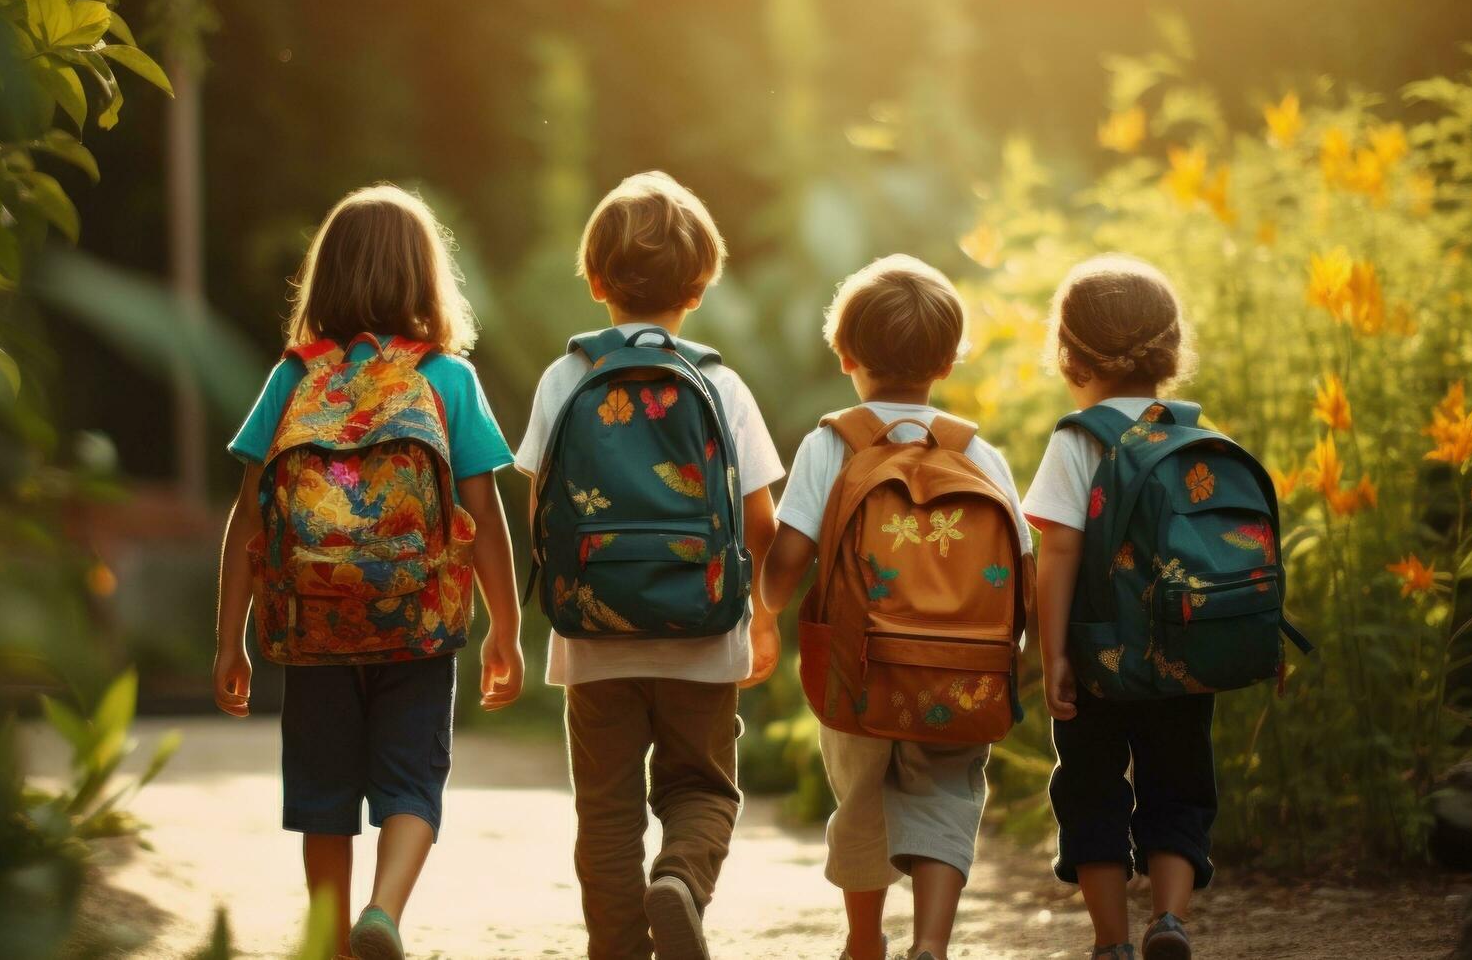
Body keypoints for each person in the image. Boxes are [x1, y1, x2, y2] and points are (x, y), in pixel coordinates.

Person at [212, 184, 526, 960]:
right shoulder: (446, 379)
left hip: (311, 624)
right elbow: (483, 515)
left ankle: (327, 934)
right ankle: (382, 914)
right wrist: (507, 629)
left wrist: (231, 641)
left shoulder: (295, 377)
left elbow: (248, 517)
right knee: (412, 784)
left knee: (323, 795)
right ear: (426, 279)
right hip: (417, 626)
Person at [513, 171, 784, 960]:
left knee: (604, 815)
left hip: (592, 641)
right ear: (698, 288)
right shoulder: (721, 384)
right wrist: (762, 619)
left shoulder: (565, 380)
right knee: (702, 788)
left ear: (595, 280)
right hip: (704, 635)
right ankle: (681, 880)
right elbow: (760, 526)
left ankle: (618, 950)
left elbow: (540, 517)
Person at [759, 255, 1031, 960]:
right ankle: (933, 944)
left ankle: (862, 942)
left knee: (862, 801)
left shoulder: (833, 444)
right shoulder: (980, 455)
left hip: (858, 669)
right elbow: (1026, 568)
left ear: (845, 354)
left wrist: (767, 602)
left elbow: (788, 559)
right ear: (946, 361)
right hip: (964, 669)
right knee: (948, 792)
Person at [1024, 254, 1209, 960]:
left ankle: (1111, 942)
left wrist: (1053, 654)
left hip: (1099, 659)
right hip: (1185, 653)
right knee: (1180, 786)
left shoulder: (1080, 439)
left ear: (1070, 357)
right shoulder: (1194, 435)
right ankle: (1171, 919)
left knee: (1092, 790)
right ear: (1169, 351)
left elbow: (1059, 553)